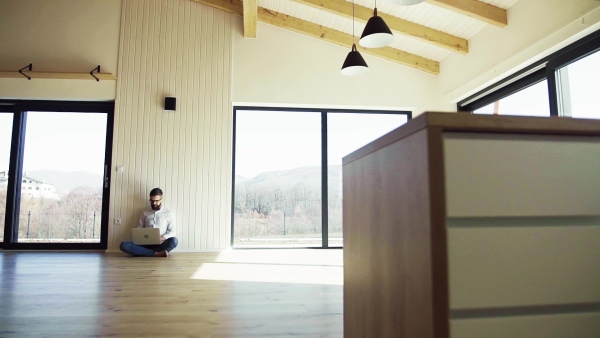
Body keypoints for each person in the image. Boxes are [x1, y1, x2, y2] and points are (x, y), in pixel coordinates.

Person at [119, 188, 178, 257]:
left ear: (161, 199)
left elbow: (172, 232)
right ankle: (155, 254)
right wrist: (139, 236)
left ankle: (144, 253)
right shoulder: (145, 213)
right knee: (123, 245)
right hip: (145, 244)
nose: (154, 203)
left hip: (160, 244)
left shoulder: (168, 213)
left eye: (156, 201)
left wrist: (161, 238)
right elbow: (139, 228)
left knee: (174, 241)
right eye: (152, 201)